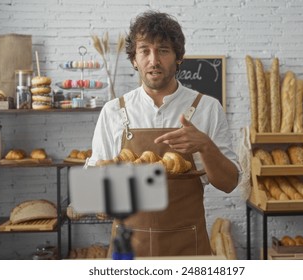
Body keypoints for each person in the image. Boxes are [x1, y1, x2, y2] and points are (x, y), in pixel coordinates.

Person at [88, 10, 241, 257]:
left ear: (178, 57)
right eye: (145, 50)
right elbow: (95, 194)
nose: (153, 60)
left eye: (163, 50)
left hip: (188, 248)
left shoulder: (208, 108)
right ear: (134, 59)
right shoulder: (114, 111)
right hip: (128, 252)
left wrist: (205, 146)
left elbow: (229, 184)